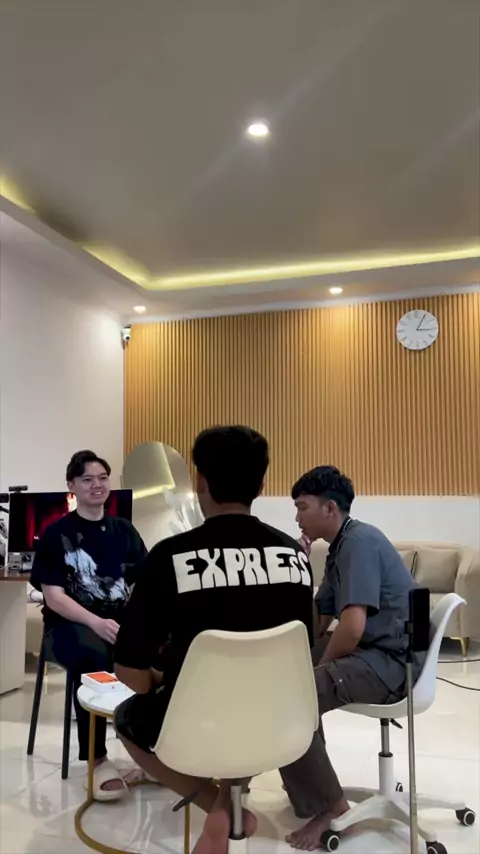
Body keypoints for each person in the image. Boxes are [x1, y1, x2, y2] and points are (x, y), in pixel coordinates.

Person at [113, 426, 314, 854]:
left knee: (128, 716)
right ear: (261, 485)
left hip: (197, 723)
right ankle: (230, 804)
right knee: (246, 699)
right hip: (281, 718)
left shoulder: (168, 557)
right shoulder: (296, 557)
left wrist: (158, 680)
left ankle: (216, 806)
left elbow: (129, 671)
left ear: (200, 482)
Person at [280, 465, 425, 850]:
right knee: (278, 672)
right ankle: (309, 790)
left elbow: (352, 628)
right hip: (372, 651)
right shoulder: (339, 547)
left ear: (330, 508)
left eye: (302, 507)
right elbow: (319, 619)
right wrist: (298, 572)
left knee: (294, 694)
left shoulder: (359, 543)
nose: (297, 517)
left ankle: (330, 806)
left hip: (391, 663)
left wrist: (317, 668)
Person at [30, 450, 147, 800]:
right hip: (68, 625)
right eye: (87, 479)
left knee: (161, 650)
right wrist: (95, 621)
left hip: (117, 621)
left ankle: (150, 751)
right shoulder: (56, 534)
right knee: (92, 655)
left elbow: (144, 583)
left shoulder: (124, 531)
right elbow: (53, 597)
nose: (97, 485)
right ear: (72, 486)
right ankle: (97, 759)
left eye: (103, 478)